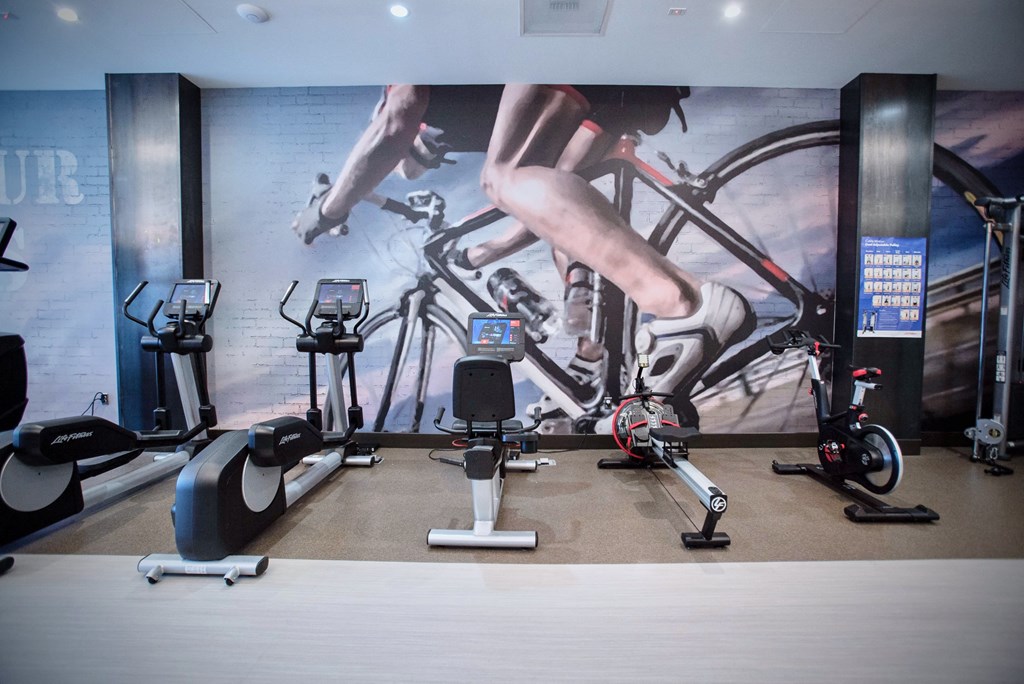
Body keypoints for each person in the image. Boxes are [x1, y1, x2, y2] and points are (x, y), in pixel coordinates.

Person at [292, 84, 754, 421]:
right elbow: (544, 211)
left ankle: (684, 303)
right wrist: (487, 250)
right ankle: (592, 366)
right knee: (553, 200)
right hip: (612, 96)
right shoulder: (458, 119)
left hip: (584, 76)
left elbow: (396, 120)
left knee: (505, 177)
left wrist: (327, 212)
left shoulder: (409, 84)